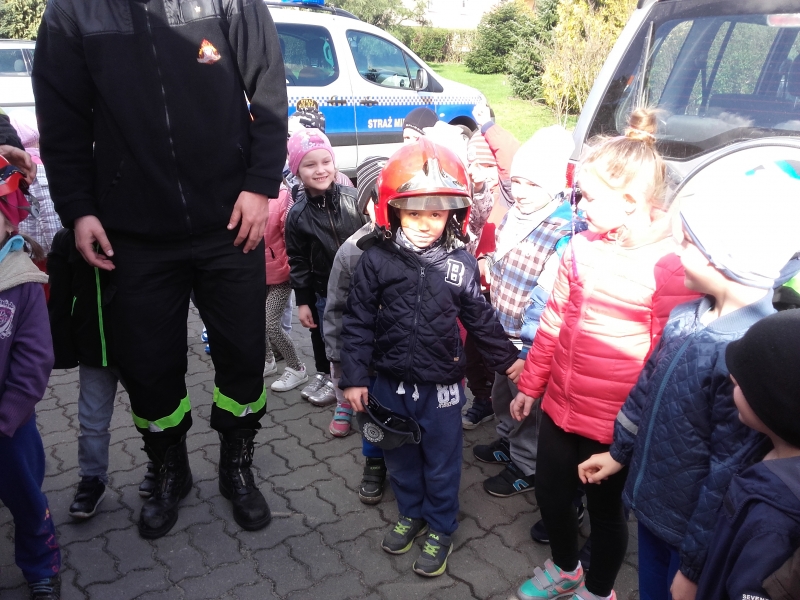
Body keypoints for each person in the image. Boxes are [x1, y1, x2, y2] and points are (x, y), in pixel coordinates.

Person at [33, 0, 288, 538]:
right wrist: (78, 208)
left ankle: (237, 464)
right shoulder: (71, 11)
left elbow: (268, 86)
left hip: (230, 221)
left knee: (244, 356)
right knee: (148, 368)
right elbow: (61, 119)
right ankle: (170, 468)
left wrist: (261, 184)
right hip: (133, 232)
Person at [577, 156, 800, 600]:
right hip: (654, 508)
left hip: (690, 537)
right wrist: (620, 453)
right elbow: (645, 391)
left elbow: (726, 474)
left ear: (729, 258)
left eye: (689, 244)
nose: (676, 253)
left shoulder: (745, 357)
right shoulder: (685, 316)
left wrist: (694, 569)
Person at [510, 109, 699, 600]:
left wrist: (636, 435)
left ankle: (598, 591)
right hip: (561, 404)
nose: (580, 205)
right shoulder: (580, 248)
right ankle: (566, 568)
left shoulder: (669, 266)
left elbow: (667, 361)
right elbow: (553, 322)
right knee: (550, 492)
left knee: (606, 512)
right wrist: (531, 385)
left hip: (614, 422)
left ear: (631, 201)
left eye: (590, 197)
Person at [340, 138, 519, 577]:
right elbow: (357, 321)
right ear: (393, 211)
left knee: (441, 463)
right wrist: (354, 377)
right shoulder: (375, 260)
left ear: (454, 215)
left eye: (436, 215)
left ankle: (440, 526)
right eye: (414, 213)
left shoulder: (461, 264)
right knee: (400, 459)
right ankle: (411, 513)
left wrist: (510, 361)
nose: (425, 224)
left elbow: (481, 319)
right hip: (388, 385)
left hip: (441, 389)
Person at [473, 126, 575, 498]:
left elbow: (549, 300)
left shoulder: (562, 231)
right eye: (516, 181)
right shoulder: (515, 215)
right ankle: (507, 441)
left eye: (532, 184)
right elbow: (501, 255)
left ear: (553, 185)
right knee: (503, 395)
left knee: (527, 407)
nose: (521, 191)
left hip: (528, 342)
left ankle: (527, 464)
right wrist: (487, 261)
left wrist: (530, 352)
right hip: (503, 333)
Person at [48, 227, 159, 518]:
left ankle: (162, 464)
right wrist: (61, 349)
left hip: (137, 349)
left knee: (154, 413)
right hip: (92, 350)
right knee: (91, 422)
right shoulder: (66, 240)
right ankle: (92, 479)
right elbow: (59, 298)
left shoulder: (130, 230)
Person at [695, 308, 800, 600]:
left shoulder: (775, 522)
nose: (731, 378)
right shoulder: (765, 450)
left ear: (774, 405)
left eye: (740, 383)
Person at [0, 157, 61, 600]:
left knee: (25, 497)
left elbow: (35, 359)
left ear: (7, 223)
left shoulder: (21, 281)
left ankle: (41, 563)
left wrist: (7, 417)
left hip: (10, 423)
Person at [323, 156, 388, 503]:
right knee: (371, 415)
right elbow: (336, 310)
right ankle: (374, 463)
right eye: (379, 198)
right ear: (365, 205)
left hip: (410, 359)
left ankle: (409, 462)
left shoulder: (422, 245)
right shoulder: (351, 253)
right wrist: (341, 364)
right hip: (369, 360)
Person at [284, 128, 365, 406]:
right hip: (324, 293)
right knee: (326, 337)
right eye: (310, 164)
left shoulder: (354, 199)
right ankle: (331, 378)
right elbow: (298, 260)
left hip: (363, 289)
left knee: (363, 334)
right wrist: (303, 301)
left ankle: (363, 381)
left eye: (326, 161)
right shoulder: (297, 215)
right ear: (297, 171)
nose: (320, 170)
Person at [262, 182, 308, 392]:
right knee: (256, 321)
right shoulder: (243, 194)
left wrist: (291, 268)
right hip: (256, 274)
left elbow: (290, 237)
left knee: (271, 324)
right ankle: (267, 361)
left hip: (281, 275)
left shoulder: (282, 196)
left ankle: (297, 368)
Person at [9, 111, 61, 254]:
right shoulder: (38, 168)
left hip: (20, 247)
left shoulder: (8, 171)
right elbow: (48, 215)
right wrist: (56, 249)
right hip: (43, 249)